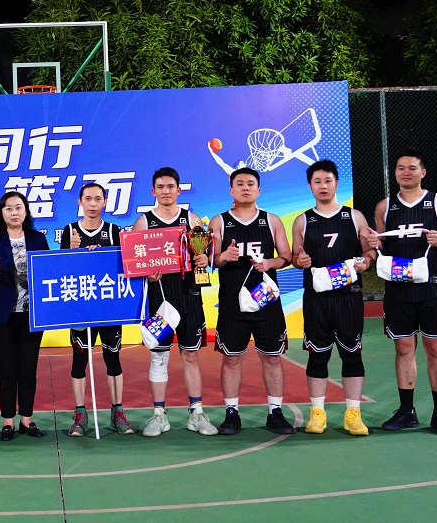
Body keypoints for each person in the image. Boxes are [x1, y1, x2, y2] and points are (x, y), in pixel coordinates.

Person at [366, 148, 437, 437]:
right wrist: (374, 243)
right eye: (400, 168)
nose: (405, 172)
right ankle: (406, 411)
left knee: (435, 348)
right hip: (398, 289)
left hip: (433, 288)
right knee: (404, 348)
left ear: (423, 172)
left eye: (411, 167)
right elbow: (381, 245)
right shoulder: (385, 207)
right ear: (394, 173)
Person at [290, 161, 376, 436]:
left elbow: (369, 252)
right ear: (310, 186)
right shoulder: (303, 221)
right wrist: (300, 261)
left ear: (337, 184)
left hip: (348, 297)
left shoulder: (355, 217)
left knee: (352, 355)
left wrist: (366, 262)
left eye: (328, 180)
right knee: (318, 356)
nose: (323, 186)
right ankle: (317, 413)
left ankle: (353, 414)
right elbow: (296, 257)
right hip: (316, 299)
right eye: (317, 181)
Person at [210, 167, 295, 435]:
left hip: (266, 301)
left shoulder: (272, 220)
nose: (245, 188)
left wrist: (270, 263)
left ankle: (275, 412)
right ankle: (231, 414)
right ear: (231, 190)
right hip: (232, 304)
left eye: (250, 184)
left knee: (272, 358)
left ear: (258, 190)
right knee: (231, 359)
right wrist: (224, 257)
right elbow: (211, 260)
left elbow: (286, 256)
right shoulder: (219, 222)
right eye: (240, 184)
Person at [132, 167, 216, 437]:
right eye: (160, 187)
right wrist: (147, 275)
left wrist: (203, 260)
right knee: (159, 357)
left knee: (190, 355)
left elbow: (202, 257)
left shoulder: (192, 220)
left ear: (179, 190)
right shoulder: (143, 223)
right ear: (153, 191)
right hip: (159, 299)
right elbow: (135, 265)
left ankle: (196, 413)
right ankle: (159, 415)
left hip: (189, 295)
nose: (166, 191)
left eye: (170, 186)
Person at [59, 182, 133, 436]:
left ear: (104, 202)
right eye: (88, 198)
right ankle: (80, 414)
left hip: (108, 308)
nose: (92, 203)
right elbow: (60, 270)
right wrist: (73, 251)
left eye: (97, 199)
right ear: (79, 202)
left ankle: (117, 412)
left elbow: (124, 267)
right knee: (79, 360)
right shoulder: (69, 231)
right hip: (81, 308)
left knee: (113, 358)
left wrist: (105, 255)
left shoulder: (113, 231)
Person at [0, 191, 50, 440]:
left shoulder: (37, 238)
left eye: (18, 207)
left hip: (32, 314)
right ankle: (8, 421)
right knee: (7, 369)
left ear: (26, 211)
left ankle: (27, 420)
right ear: (1, 213)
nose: (14, 212)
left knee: (28, 369)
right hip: (4, 315)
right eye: (8, 208)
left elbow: (48, 269)